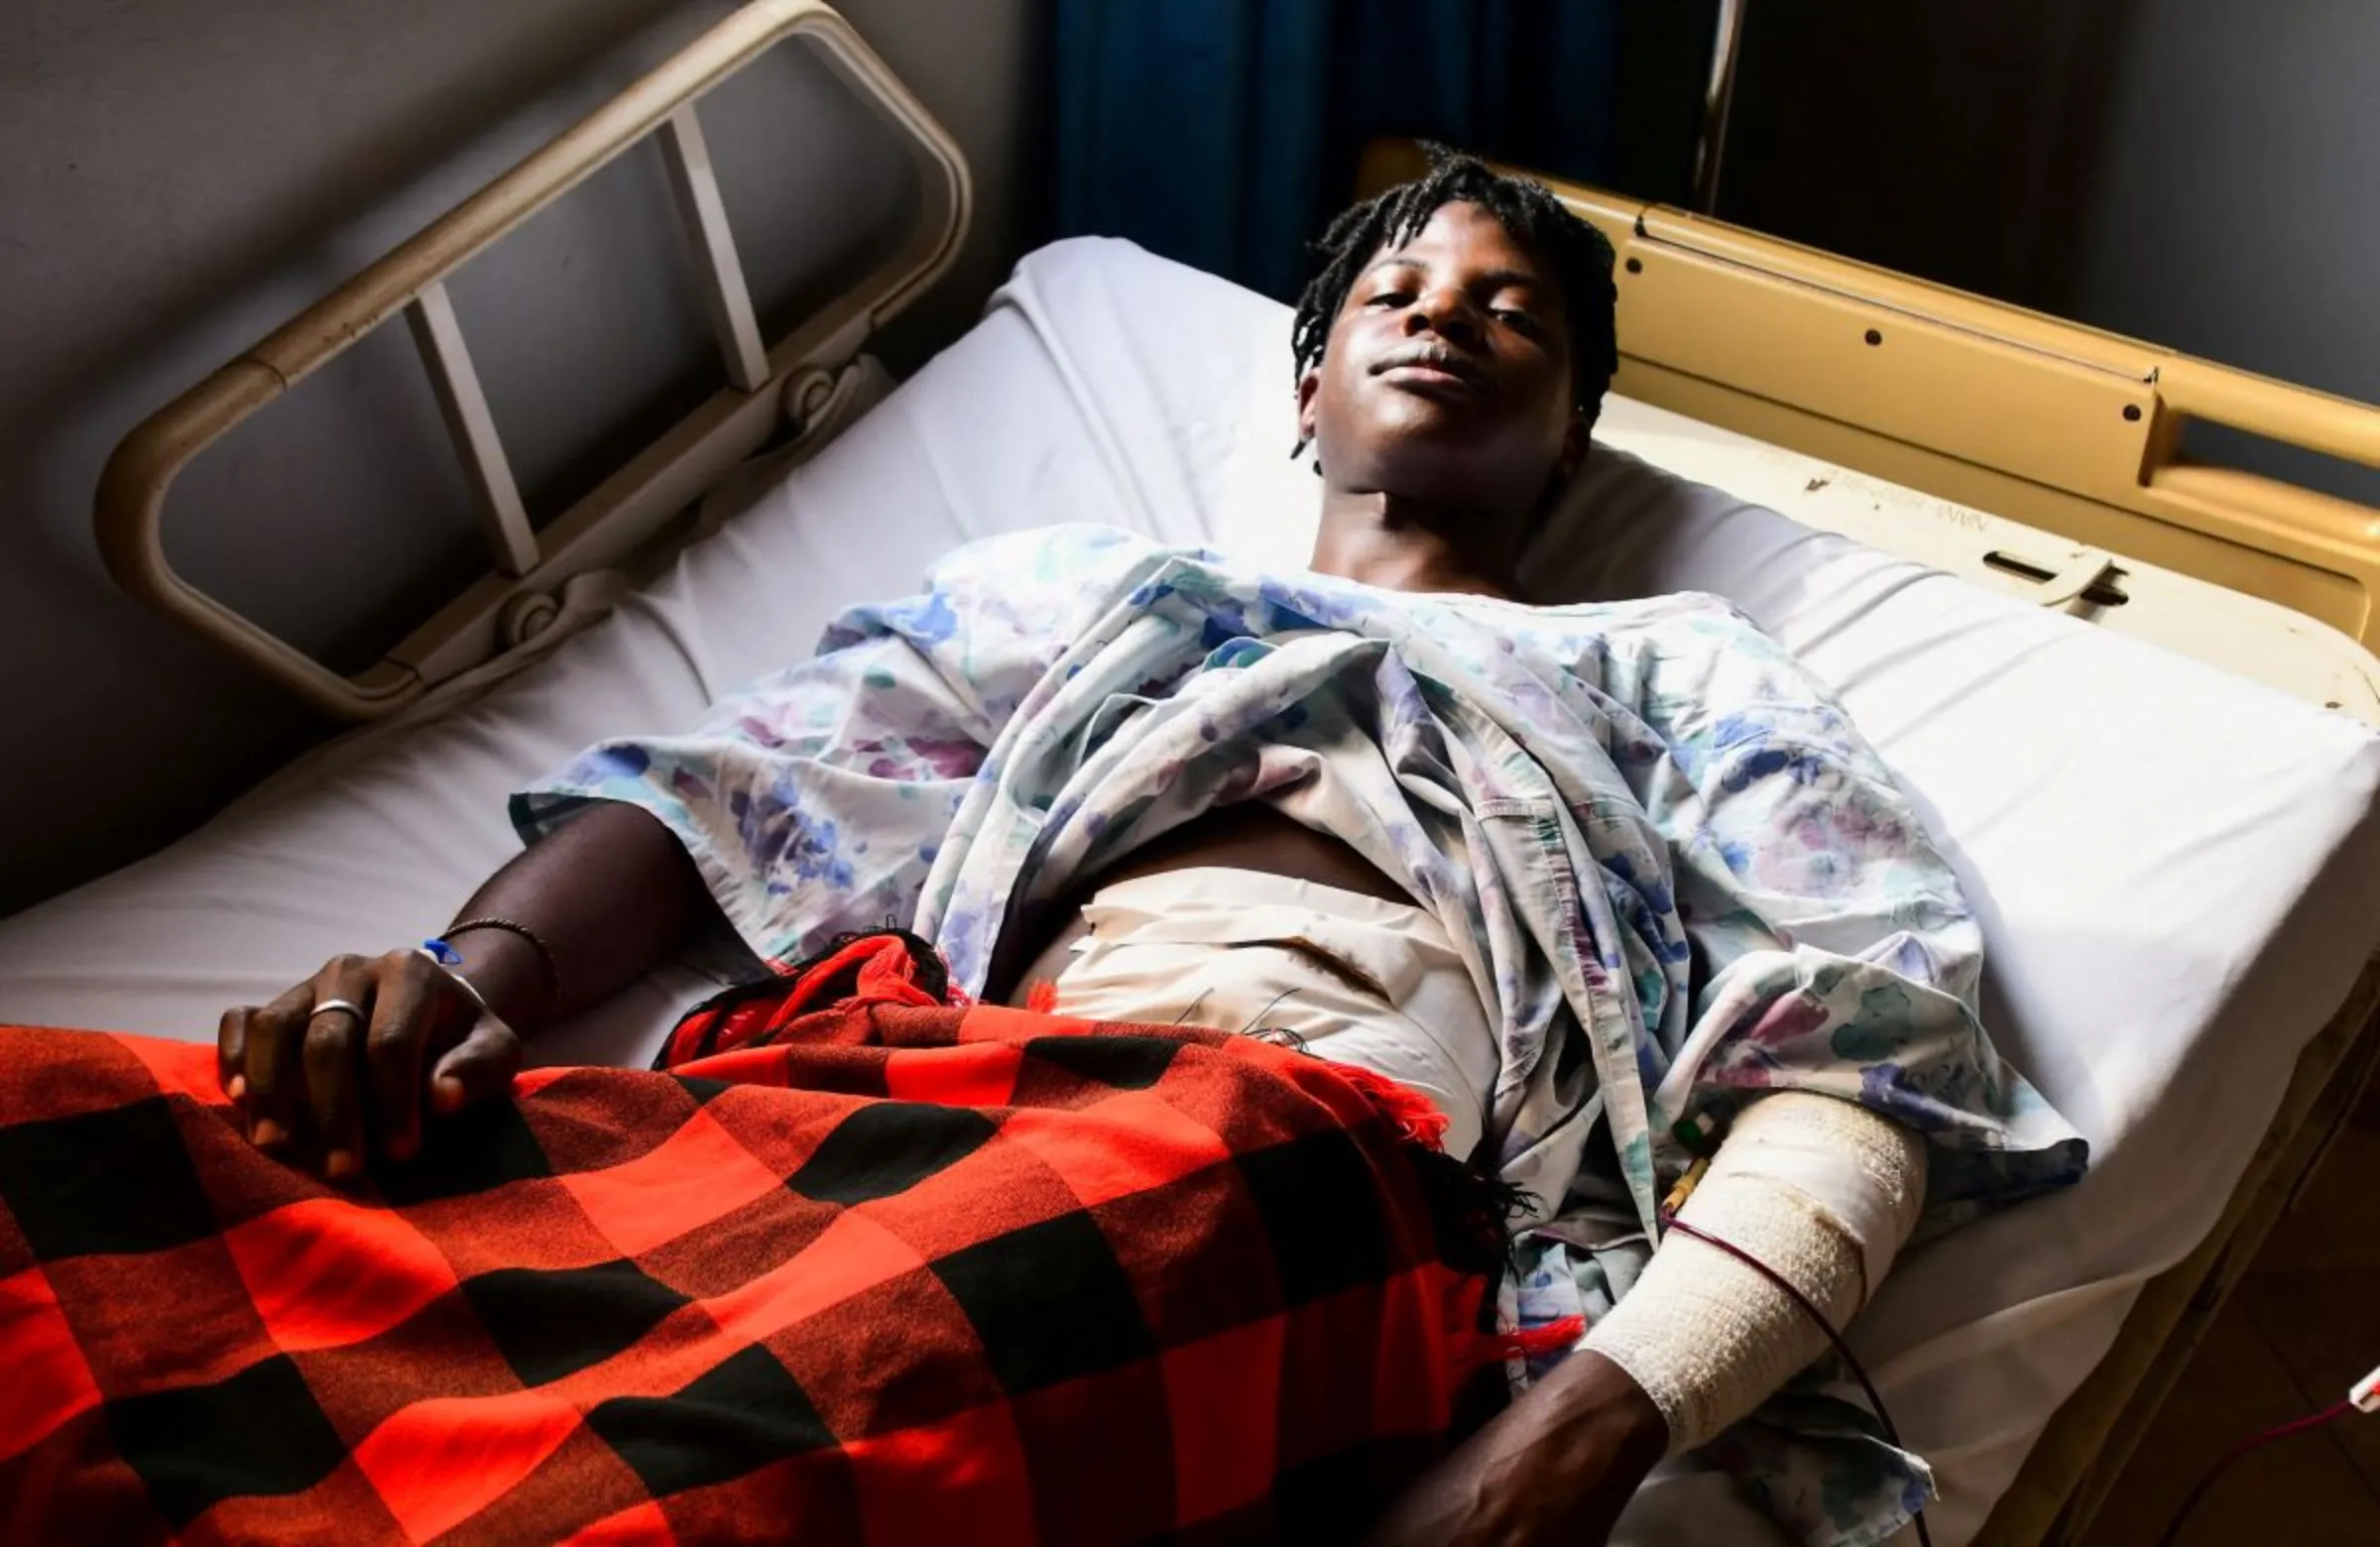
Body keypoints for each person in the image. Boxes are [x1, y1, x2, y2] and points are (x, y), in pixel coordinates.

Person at [216, 149, 2081, 1546]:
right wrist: (467, 978)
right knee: (175, 1232)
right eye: (1400, 292)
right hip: (897, 1109)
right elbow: (746, 786)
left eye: (1515, 313)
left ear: (1571, 435)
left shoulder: (1670, 668)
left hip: (1280, 1148)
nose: (1447, 314)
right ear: (1306, 392)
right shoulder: (1087, 596)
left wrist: (1585, 1429)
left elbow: (1861, 1056)